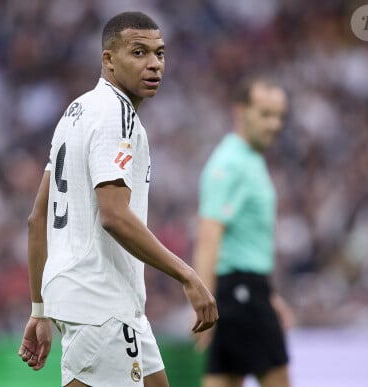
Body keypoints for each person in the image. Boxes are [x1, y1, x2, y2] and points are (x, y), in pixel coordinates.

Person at [18, 11, 218, 387]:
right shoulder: (116, 115)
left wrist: (39, 310)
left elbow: (37, 218)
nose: (154, 64)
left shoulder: (74, 112)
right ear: (108, 59)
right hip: (100, 303)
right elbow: (114, 215)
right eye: (139, 53)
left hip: (106, 301)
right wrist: (188, 276)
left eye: (160, 53)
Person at [192, 77, 295, 387]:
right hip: (240, 292)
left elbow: (247, 240)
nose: (274, 124)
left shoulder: (249, 160)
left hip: (244, 291)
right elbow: (209, 234)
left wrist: (269, 293)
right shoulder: (231, 163)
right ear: (240, 111)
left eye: (279, 116)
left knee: (222, 380)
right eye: (265, 114)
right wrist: (202, 303)